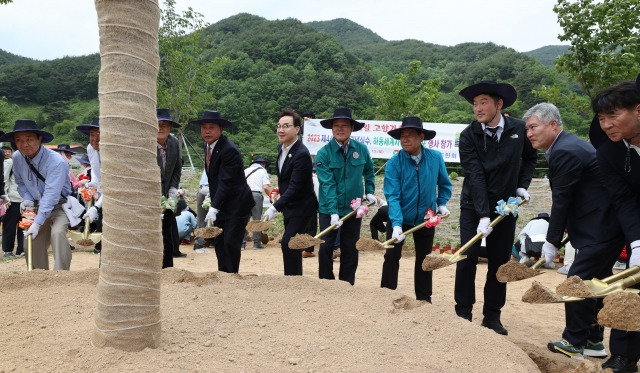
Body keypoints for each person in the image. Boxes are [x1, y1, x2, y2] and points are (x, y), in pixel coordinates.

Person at [523, 102, 625, 360]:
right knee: (593, 285)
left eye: (534, 127)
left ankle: (574, 341)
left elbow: (563, 199)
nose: (530, 134)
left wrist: (551, 241)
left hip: (600, 228)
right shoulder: (567, 145)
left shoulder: (564, 151)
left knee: (575, 282)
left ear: (554, 124)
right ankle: (593, 341)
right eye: (527, 129)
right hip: (602, 226)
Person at [455, 80, 537, 335]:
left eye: (483, 103)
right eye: (475, 104)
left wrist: (522, 185)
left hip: (506, 208)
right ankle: (463, 313)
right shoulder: (469, 135)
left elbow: (531, 157)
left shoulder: (519, 130)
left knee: (499, 263)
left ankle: (492, 316)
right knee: (466, 259)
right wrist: (482, 214)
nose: (477, 109)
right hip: (473, 206)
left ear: (499, 104)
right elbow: (475, 175)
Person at [589, 76, 640, 372]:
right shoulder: (608, 152)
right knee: (631, 284)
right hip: (633, 217)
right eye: (602, 118)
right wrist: (636, 242)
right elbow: (623, 200)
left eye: (613, 116)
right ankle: (623, 356)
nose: (607, 124)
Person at [381, 116, 452, 302]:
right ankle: (386, 294)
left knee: (424, 258)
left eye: (410, 135)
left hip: (425, 218)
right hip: (400, 217)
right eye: (402, 136)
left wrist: (442, 203)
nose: (405, 139)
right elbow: (393, 196)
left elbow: (444, 183)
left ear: (421, 137)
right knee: (392, 255)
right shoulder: (394, 163)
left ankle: (424, 298)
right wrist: (396, 224)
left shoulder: (435, 158)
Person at [315, 107, 377, 285]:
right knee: (326, 245)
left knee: (350, 247)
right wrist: (333, 211)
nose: (339, 129)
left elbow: (369, 171)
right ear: (332, 129)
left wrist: (370, 191)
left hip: (353, 209)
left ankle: (346, 283)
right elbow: (327, 184)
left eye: (344, 125)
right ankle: (326, 282)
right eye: (336, 125)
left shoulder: (361, 149)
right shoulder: (324, 153)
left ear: (351, 128)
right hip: (329, 209)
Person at [0, 120, 72, 270]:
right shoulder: (18, 158)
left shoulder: (56, 162)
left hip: (60, 205)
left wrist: (38, 222)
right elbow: (20, 183)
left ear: (39, 138)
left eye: (28, 139)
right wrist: (27, 198)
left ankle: (61, 277)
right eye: (18, 140)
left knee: (58, 234)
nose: (24, 144)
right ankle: (39, 277)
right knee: (30, 242)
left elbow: (52, 195)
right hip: (37, 206)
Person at [192, 110, 254, 273]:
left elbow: (226, 182)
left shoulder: (229, 150)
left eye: (211, 127)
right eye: (203, 127)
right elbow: (214, 180)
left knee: (230, 241)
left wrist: (214, 207)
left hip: (237, 203)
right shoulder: (208, 146)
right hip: (221, 202)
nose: (207, 131)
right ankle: (222, 274)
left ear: (220, 129)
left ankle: (232, 274)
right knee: (219, 241)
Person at [263, 108, 317, 275]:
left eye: (286, 126)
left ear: (297, 129)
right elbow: (286, 180)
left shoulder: (301, 153)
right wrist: (278, 190)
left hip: (302, 208)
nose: (281, 130)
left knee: (288, 242)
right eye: (279, 126)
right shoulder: (282, 149)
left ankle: (293, 281)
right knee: (292, 245)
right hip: (290, 208)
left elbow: (295, 186)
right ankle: (293, 279)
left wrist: (274, 207)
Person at [157, 108, 187, 265]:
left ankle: (167, 267)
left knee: (168, 233)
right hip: (149, 197)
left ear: (170, 127)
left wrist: (173, 189)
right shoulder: (144, 145)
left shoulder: (174, 142)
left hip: (168, 196)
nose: (160, 128)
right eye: (157, 124)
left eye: (164, 125)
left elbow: (177, 168)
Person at [76, 118, 103, 255]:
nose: (95, 139)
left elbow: (112, 184)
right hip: (103, 194)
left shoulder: (114, 151)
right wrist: (92, 184)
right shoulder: (90, 149)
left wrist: (96, 206)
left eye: (100, 134)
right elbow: (97, 173)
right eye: (92, 134)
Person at [244, 155, 272, 250]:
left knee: (244, 219)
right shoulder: (263, 171)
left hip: (244, 195)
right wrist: (271, 197)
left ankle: (242, 243)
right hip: (256, 195)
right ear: (263, 164)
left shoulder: (246, 170)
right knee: (256, 220)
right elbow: (266, 187)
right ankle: (256, 243)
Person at [2, 144, 23, 257]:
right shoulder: (10, 163)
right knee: (9, 225)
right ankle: (8, 250)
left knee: (24, 225)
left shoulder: (29, 163)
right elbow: (4, 180)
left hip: (25, 201)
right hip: (12, 199)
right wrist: (5, 198)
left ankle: (22, 249)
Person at [302, 166, 320, 258]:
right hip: (311, 205)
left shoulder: (300, 177)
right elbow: (317, 192)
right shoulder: (315, 179)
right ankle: (307, 250)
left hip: (300, 206)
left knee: (302, 227)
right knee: (311, 228)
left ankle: (300, 248)